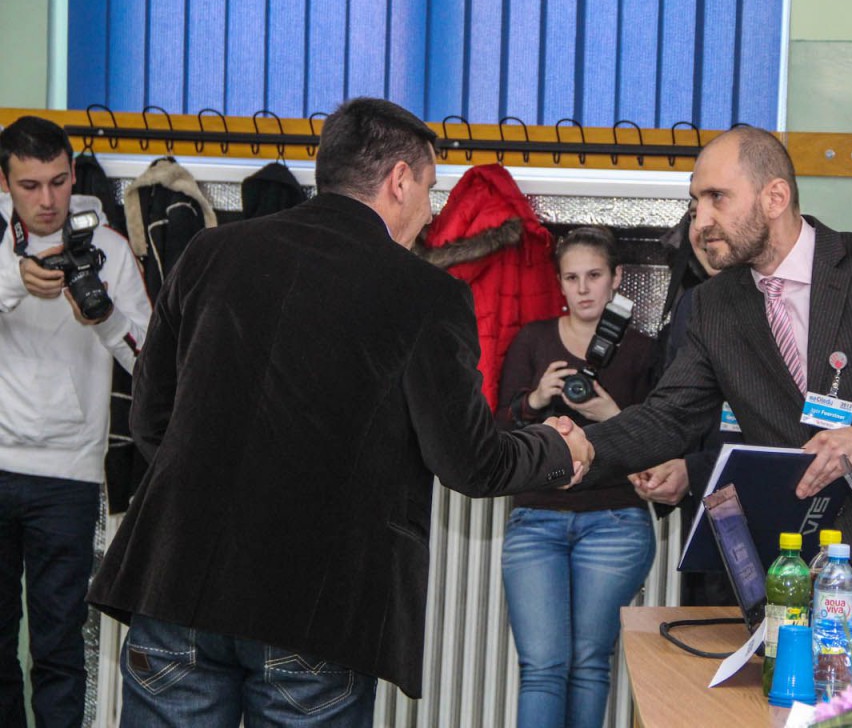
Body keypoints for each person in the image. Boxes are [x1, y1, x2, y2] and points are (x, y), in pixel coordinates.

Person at [86, 98, 593, 727]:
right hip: (315, 611)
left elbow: (150, 420)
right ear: (399, 180)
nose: (430, 212)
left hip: (175, 585)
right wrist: (557, 448)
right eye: (429, 189)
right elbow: (469, 461)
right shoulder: (425, 294)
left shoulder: (209, 253)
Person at [587, 125, 852, 602]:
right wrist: (575, 450)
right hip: (806, 571)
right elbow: (667, 416)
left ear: (775, 197)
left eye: (716, 198)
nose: (700, 221)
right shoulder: (714, 305)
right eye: (694, 204)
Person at [0, 116, 152, 727]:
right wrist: (12, 279)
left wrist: (105, 319)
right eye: (30, 185)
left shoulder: (108, 248)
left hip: (69, 477)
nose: (48, 200)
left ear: (72, 174)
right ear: (5, 182)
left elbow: (152, 362)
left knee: (60, 647)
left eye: (59, 182)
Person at [495, 226, 656, 728]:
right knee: (542, 666)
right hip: (536, 518)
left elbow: (661, 439)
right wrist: (535, 399)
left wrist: (609, 412)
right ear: (560, 283)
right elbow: (497, 434)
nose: (583, 289)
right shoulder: (533, 340)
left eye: (594, 275)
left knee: (588, 663)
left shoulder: (643, 350)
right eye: (571, 278)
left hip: (615, 520)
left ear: (616, 278)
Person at [629, 206, 738, 607]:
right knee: (701, 633)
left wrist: (693, 470)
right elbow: (677, 404)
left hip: (769, 529)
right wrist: (655, 459)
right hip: (703, 515)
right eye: (693, 213)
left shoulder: (785, 304)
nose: (702, 226)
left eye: (718, 202)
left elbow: (788, 435)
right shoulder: (691, 304)